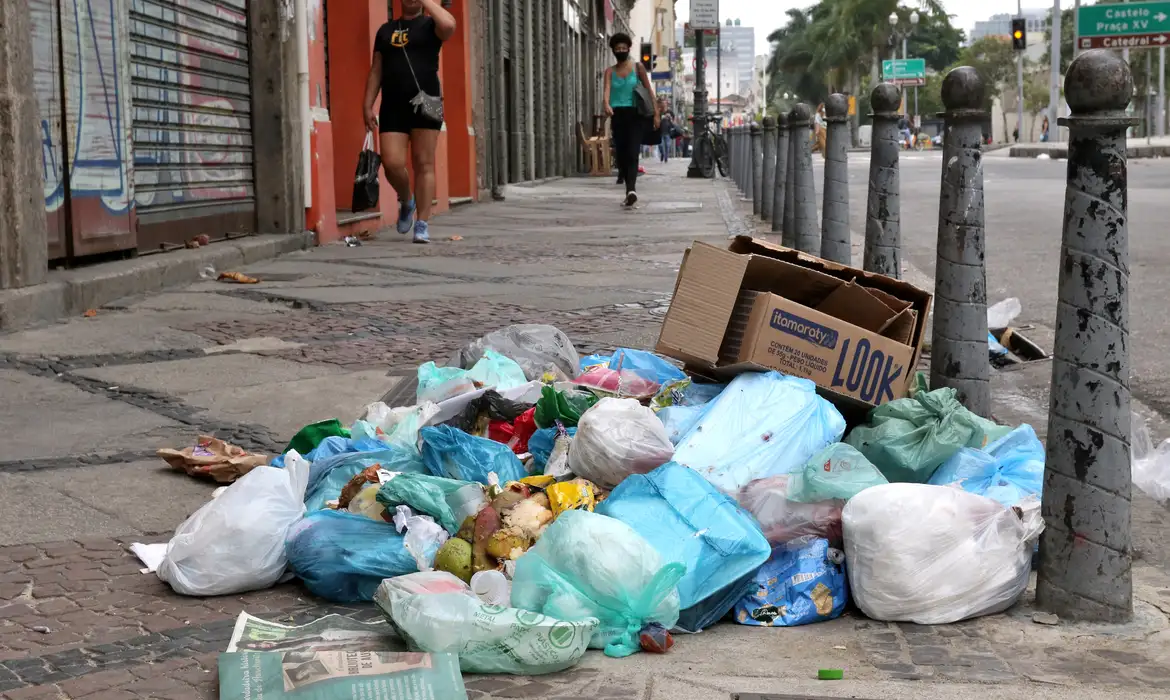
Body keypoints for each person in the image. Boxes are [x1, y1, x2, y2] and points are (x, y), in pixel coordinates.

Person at [363, 0, 457, 244]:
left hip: (427, 102)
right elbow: (376, 69)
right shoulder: (385, 30)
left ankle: (422, 223)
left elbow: (449, 24)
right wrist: (368, 104)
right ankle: (407, 199)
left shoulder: (431, 25)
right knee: (392, 162)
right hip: (393, 103)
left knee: (424, 163)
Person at [604, 32, 660, 206]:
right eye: (617, 48)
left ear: (628, 48)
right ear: (613, 50)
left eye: (623, 48)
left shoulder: (638, 68)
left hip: (635, 115)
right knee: (621, 154)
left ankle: (631, 189)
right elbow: (606, 90)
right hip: (617, 115)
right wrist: (606, 104)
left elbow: (649, 91)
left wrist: (656, 113)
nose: (620, 50)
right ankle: (626, 182)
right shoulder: (609, 71)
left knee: (633, 152)